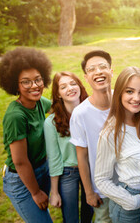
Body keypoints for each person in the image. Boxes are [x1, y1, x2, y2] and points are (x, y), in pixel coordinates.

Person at [0, 47, 53, 223]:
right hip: (22, 180)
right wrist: (35, 192)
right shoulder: (16, 116)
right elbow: (20, 161)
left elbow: (59, 112)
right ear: (15, 85)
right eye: (26, 82)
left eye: (38, 80)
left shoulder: (39, 102)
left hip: (43, 169)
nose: (35, 86)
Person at [95, 67, 140, 223]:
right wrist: (133, 201)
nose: (137, 98)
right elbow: (101, 179)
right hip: (129, 199)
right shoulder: (110, 133)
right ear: (119, 93)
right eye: (130, 91)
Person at [70, 50, 113, 222]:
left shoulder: (125, 99)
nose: (98, 72)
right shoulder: (80, 113)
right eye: (92, 69)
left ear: (111, 71)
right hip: (102, 189)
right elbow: (82, 156)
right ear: (86, 77)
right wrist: (89, 192)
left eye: (103, 67)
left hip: (130, 184)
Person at [44, 71, 93, 223]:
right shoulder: (51, 123)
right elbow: (54, 158)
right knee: (70, 218)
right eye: (63, 87)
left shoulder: (91, 112)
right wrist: (54, 192)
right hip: (68, 172)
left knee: (89, 212)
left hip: (91, 168)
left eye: (73, 83)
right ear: (58, 94)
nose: (70, 88)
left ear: (79, 86)